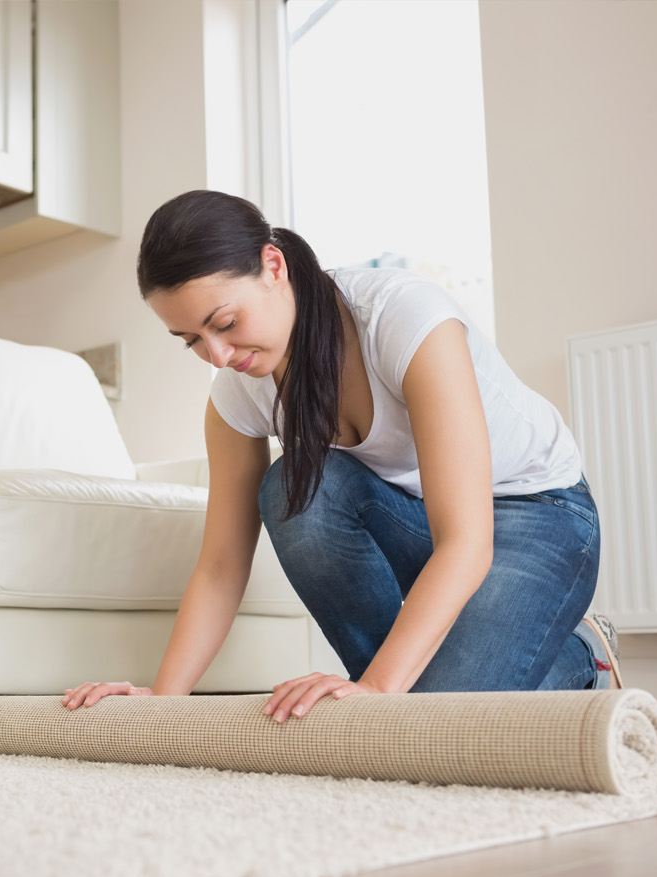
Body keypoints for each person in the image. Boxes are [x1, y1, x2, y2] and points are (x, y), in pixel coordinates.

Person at [63, 190, 622, 722]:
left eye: (225, 324)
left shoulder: (404, 317)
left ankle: (584, 661)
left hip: (537, 517)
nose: (218, 355)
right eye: (191, 341)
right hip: (417, 521)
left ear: (273, 266)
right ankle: (407, 691)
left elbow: (467, 543)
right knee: (292, 490)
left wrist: (378, 688)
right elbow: (220, 566)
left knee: (429, 722)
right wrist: (161, 701)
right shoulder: (239, 393)